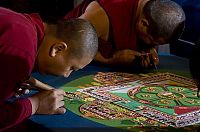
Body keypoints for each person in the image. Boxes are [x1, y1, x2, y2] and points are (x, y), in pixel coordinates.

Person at [0, 7, 98, 131]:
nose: (66, 75)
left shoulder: (25, 25)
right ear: (58, 49)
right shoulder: (22, 53)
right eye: (71, 68)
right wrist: (35, 105)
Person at [64, 0, 186, 67]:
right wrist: (110, 60)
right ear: (143, 23)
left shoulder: (153, 10)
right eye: (152, 42)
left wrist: (148, 51)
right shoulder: (101, 15)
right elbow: (69, 46)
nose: (153, 46)